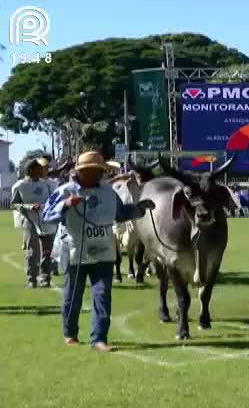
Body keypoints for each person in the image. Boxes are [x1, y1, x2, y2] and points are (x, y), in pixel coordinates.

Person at [42, 151, 155, 352]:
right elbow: (46, 215)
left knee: (102, 296)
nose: (97, 175)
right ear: (82, 171)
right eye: (92, 171)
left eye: (99, 171)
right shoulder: (65, 191)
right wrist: (65, 205)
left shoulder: (108, 192)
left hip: (103, 251)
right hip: (74, 252)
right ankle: (70, 333)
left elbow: (120, 214)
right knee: (72, 296)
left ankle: (99, 338)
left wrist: (139, 208)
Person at [11, 159, 58, 288]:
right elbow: (14, 204)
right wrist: (29, 206)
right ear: (30, 170)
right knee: (32, 251)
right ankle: (31, 279)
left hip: (46, 220)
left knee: (47, 251)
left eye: (41, 169)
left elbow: (52, 200)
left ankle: (45, 277)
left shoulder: (46, 184)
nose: (41, 171)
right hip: (29, 221)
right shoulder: (20, 185)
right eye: (38, 169)